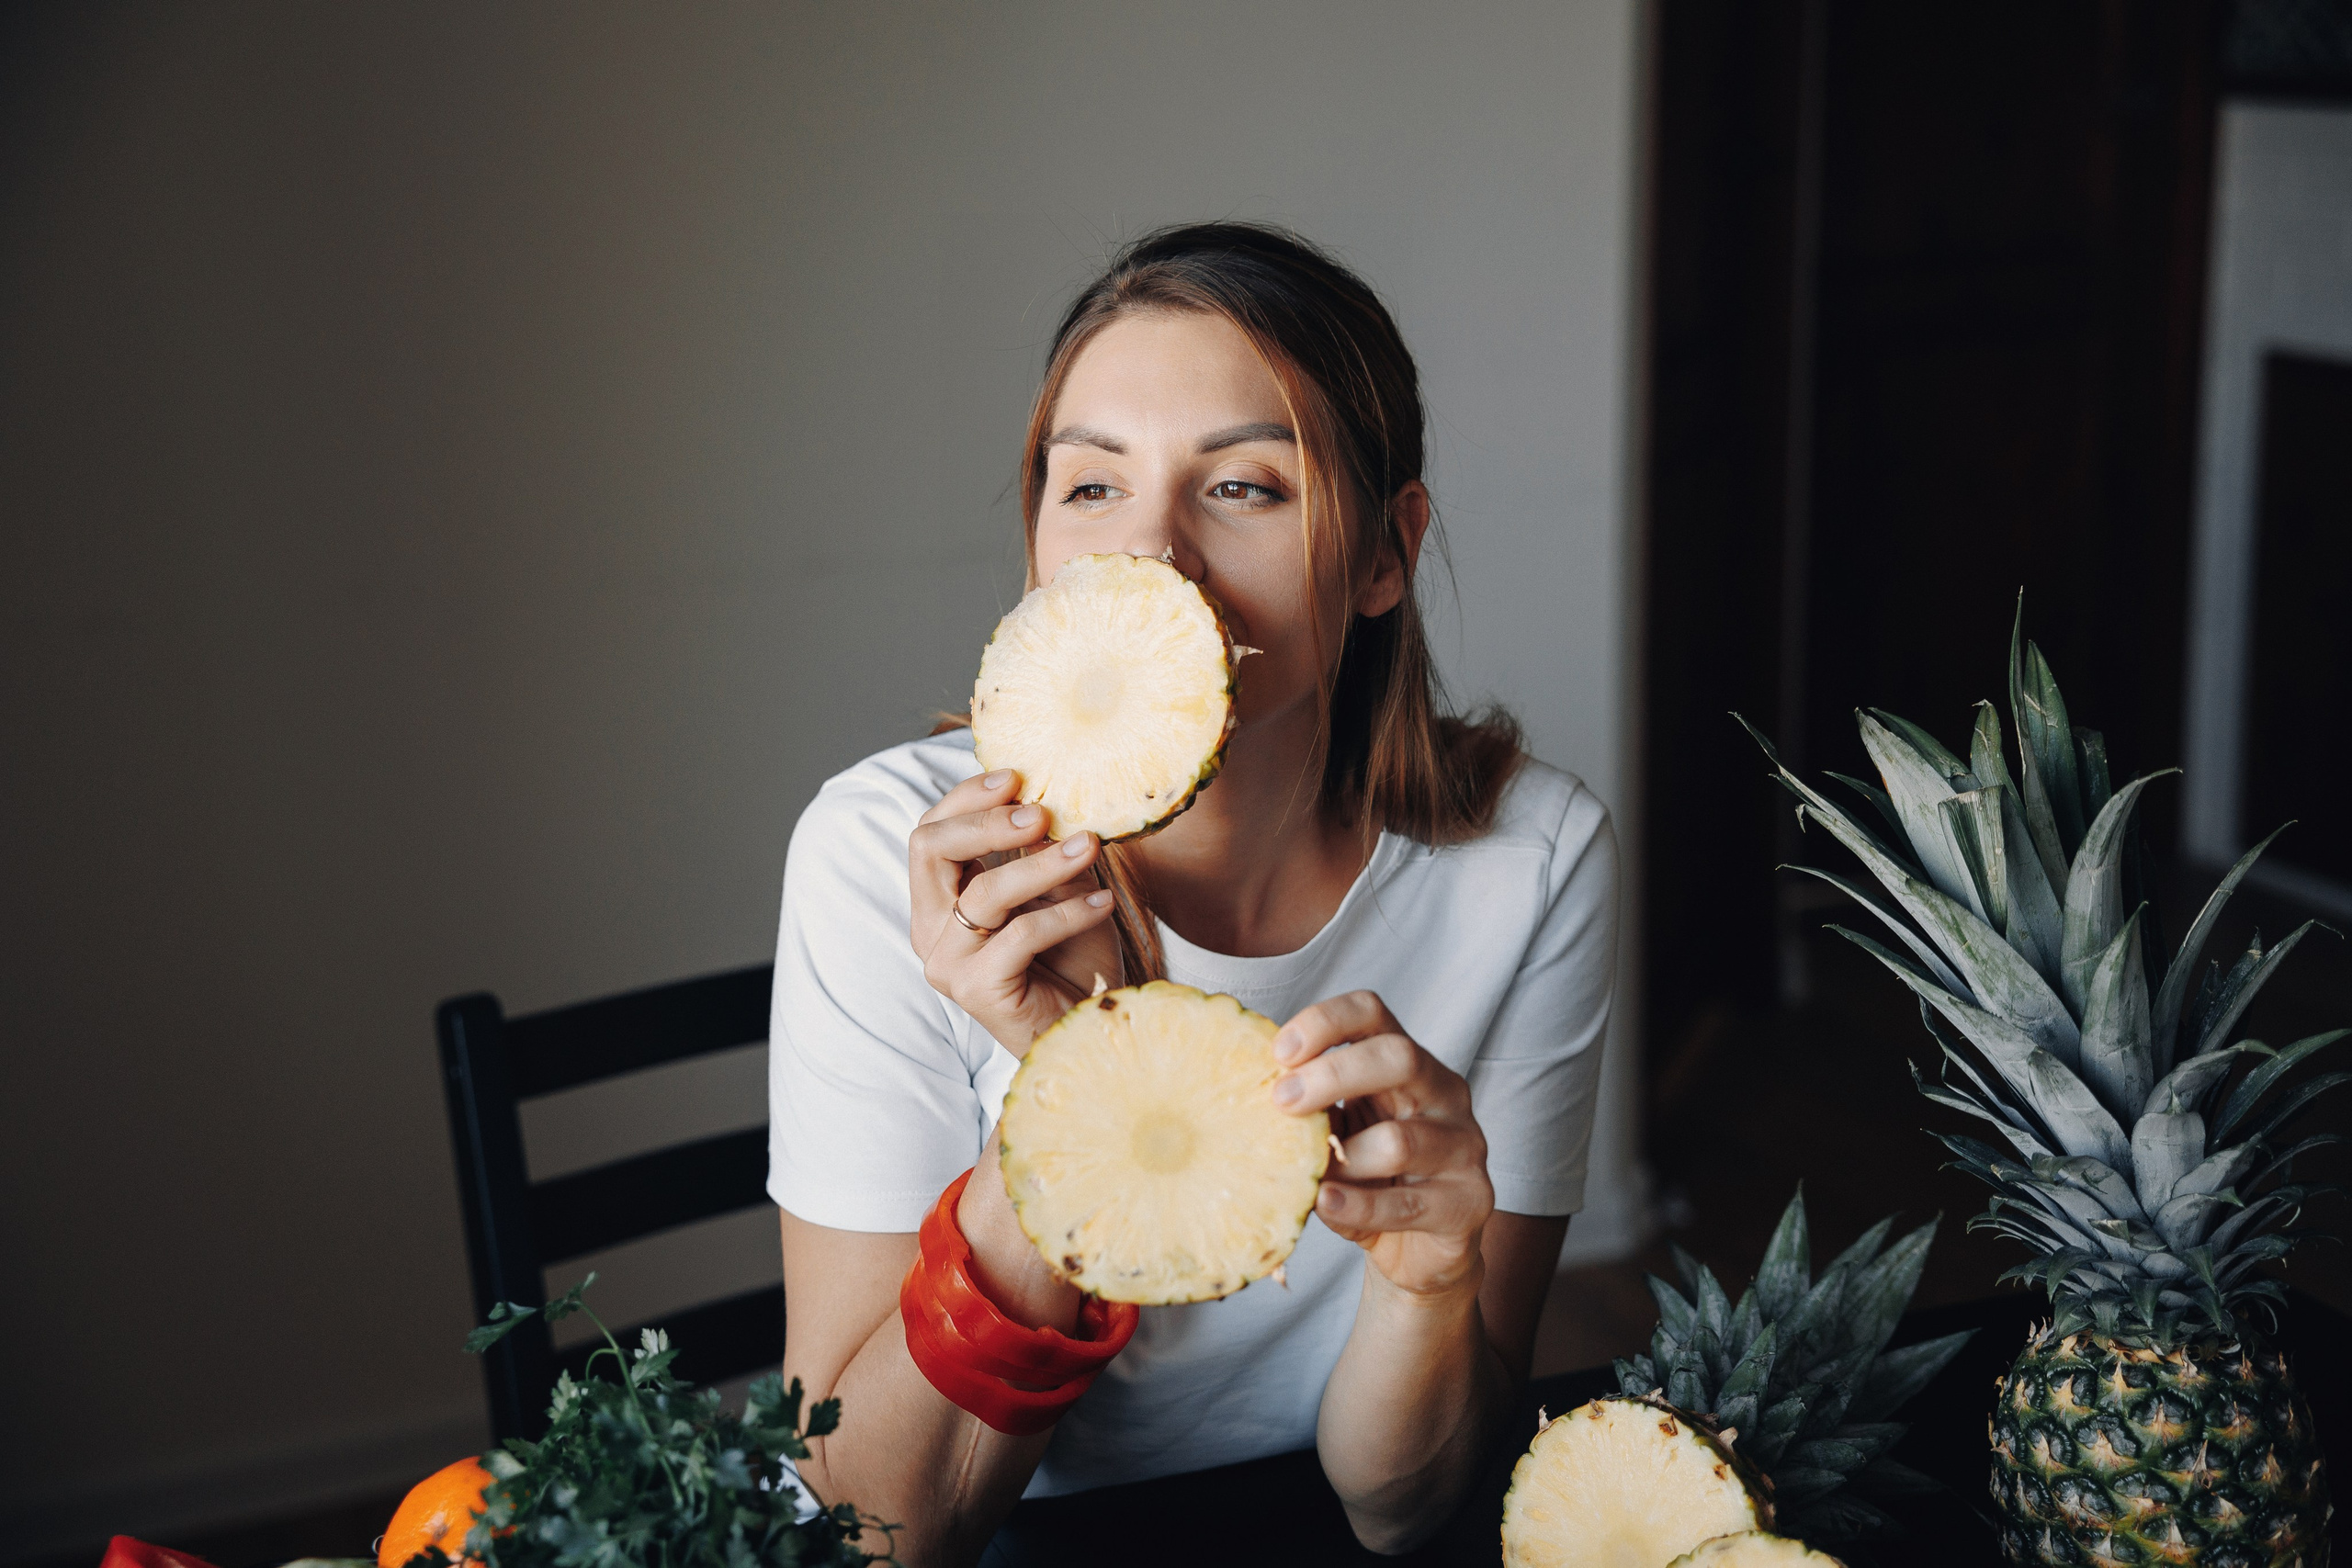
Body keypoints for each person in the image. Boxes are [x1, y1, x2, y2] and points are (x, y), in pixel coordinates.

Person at [768, 222, 1615, 1567]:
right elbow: (877, 1530)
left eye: (1245, 488)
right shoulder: (886, 857)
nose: (1149, 556)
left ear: (1386, 555)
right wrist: (1079, 1088)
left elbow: (1406, 1507)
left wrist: (1430, 1278)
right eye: (1090, 489)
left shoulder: (1530, 861)